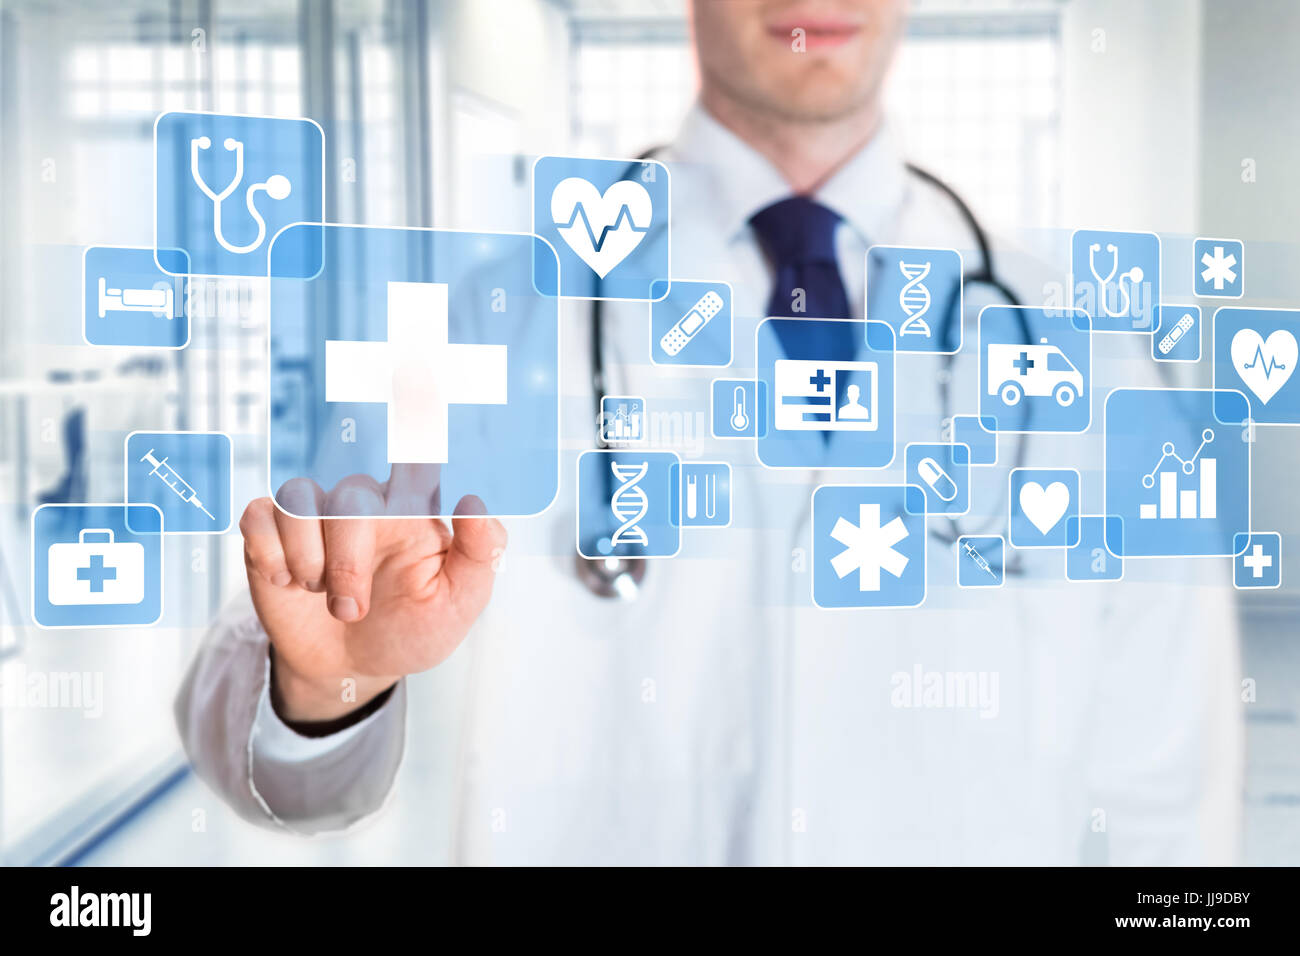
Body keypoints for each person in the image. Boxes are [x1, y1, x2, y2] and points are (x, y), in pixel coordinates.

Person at [176, 0, 1242, 864]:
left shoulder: (1093, 356)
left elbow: (1169, 797)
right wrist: (322, 689)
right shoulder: (479, 328)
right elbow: (261, 736)